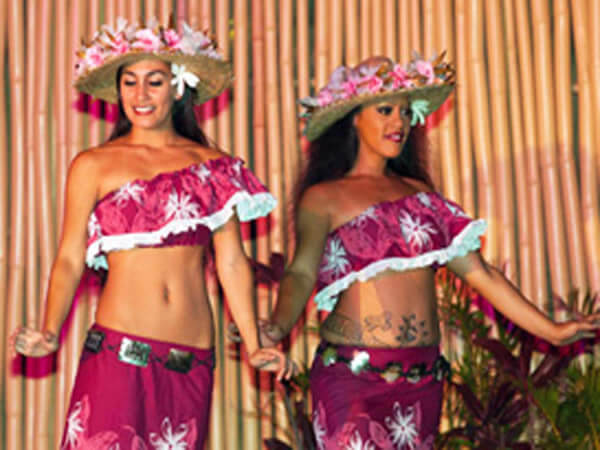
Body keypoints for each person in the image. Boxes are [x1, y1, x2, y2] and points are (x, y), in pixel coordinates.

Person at [259, 55, 600, 449]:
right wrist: (277, 327)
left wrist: (552, 330)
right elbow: (300, 273)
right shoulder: (324, 198)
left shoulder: (421, 197)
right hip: (352, 382)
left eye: (405, 112)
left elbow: (481, 274)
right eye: (385, 110)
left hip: (422, 384)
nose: (398, 123)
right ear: (353, 116)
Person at [11, 17, 294, 449]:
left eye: (154, 81)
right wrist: (50, 330)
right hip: (117, 359)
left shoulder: (213, 166)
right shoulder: (94, 165)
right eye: (130, 82)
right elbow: (70, 257)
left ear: (179, 86)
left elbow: (232, 261)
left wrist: (255, 345)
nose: (140, 95)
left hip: (190, 365)